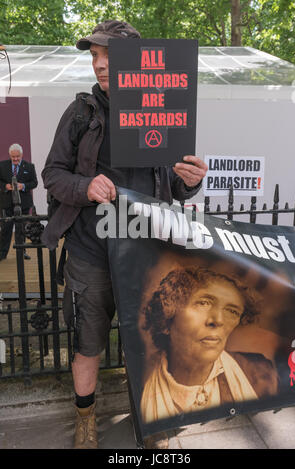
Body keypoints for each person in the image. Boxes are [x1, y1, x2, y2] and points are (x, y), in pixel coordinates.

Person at [41, 20, 208, 449]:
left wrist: (189, 180)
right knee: (88, 343)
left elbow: (173, 184)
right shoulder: (81, 112)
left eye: (108, 56)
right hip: (90, 251)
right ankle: (85, 419)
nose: (98, 65)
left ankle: (150, 423)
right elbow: (52, 174)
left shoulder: (163, 107)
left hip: (144, 253)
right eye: (94, 56)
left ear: (138, 62)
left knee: (150, 343)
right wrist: (85, 185)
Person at [140, 267, 279, 423]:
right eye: (203, 303)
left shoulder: (261, 374)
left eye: (232, 311)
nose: (218, 320)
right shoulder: (139, 384)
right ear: (167, 317)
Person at [0, 143, 38, 261]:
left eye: (17, 156)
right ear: (10, 155)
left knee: (21, 229)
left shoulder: (29, 166)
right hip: (6, 203)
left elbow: (34, 183)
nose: (15, 159)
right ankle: (2, 253)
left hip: (24, 204)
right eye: (13, 157)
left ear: (21, 155)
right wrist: (5, 186)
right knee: (5, 230)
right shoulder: (2, 166)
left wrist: (24, 186)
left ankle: (22, 252)